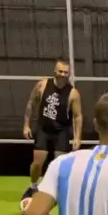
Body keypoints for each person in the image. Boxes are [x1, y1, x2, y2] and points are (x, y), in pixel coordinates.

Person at [22, 59, 82, 201]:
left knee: (60, 165)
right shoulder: (42, 85)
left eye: (66, 72)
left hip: (61, 130)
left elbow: (78, 116)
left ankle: (55, 191)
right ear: (55, 71)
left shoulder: (73, 93)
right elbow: (31, 103)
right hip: (43, 128)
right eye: (60, 71)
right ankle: (33, 186)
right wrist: (26, 125)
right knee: (37, 163)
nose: (63, 74)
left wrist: (77, 137)